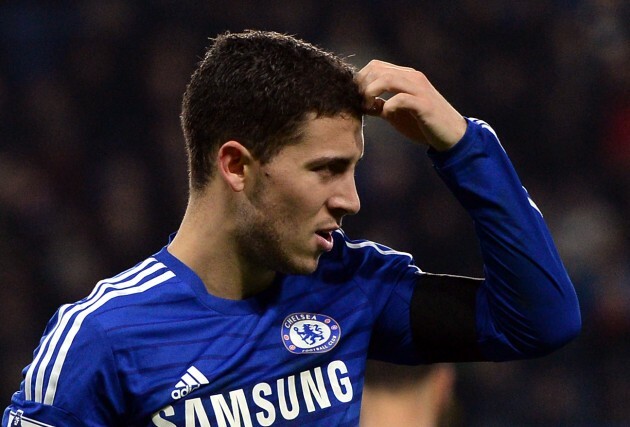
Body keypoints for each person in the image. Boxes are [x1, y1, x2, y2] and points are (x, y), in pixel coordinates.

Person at [3, 30, 580, 426]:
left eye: (353, 170)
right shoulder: (102, 338)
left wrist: (462, 145)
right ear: (237, 166)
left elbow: (541, 321)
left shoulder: (349, 285)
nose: (351, 200)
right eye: (326, 169)